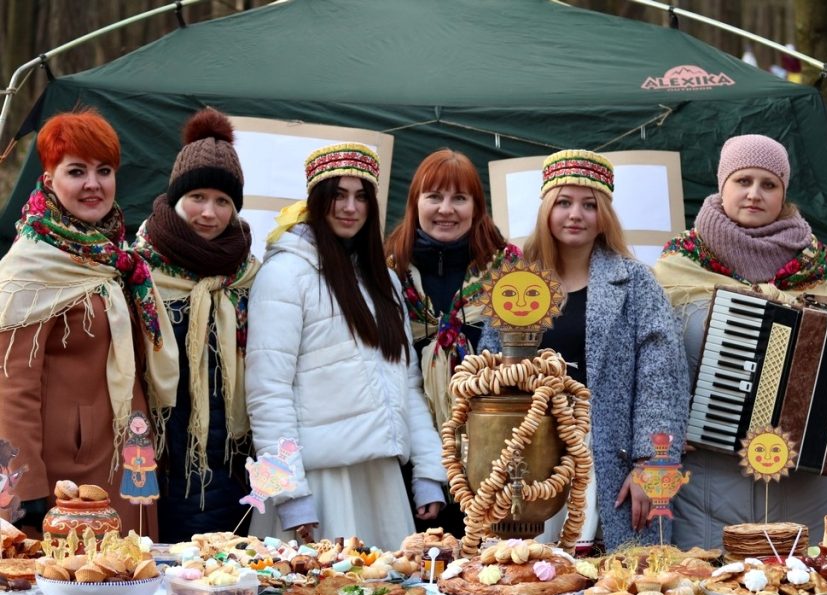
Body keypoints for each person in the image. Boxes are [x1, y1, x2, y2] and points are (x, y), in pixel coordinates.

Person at [480, 149, 687, 551]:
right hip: (529, 457)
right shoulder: (516, 282)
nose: (575, 214)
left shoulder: (636, 284)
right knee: (526, 570)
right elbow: (488, 370)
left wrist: (653, 465)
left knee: (617, 577)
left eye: (589, 205)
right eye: (564, 202)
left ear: (604, 215)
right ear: (546, 209)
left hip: (609, 458)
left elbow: (662, 381)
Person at [654, 134, 827, 550]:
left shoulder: (815, 265)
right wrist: (665, 423)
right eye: (743, 180)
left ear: (784, 193)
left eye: (769, 184)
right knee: (709, 582)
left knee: (804, 582)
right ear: (722, 186)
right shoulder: (678, 263)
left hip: (803, 484)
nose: (754, 194)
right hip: (706, 480)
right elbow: (649, 362)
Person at [246, 143, 447, 549]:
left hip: (381, 482)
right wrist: (290, 494)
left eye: (361, 196)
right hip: (318, 485)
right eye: (338, 195)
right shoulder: (285, 273)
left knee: (386, 586)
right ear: (317, 200)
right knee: (316, 586)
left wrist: (429, 471)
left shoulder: (384, 281)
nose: (350, 208)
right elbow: (268, 393)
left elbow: (407, 384)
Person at [0, 109, 173, 536]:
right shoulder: (30, 268)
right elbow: (12, 388)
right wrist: (25, 488)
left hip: (128, 456)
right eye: (76, 171)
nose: (93, 184)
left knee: (132, 569)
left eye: (104, 171)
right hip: (68, 476)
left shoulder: (116, 257)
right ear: (49, 179)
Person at [133, 108, 260, 542]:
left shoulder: (249, 277)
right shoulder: (138, 272)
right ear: (175, 198)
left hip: (234, 467)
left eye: (223, 201)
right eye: (198, 197)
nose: (209, 212)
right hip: (156, 462)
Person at [385, 148, 520, 534]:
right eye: (434, 197)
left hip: (492, 457)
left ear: (477, 208)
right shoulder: (388, 272)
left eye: (459, 198)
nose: (446, 209)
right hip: (411, 462)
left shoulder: (509, 274)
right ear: (415, 203)